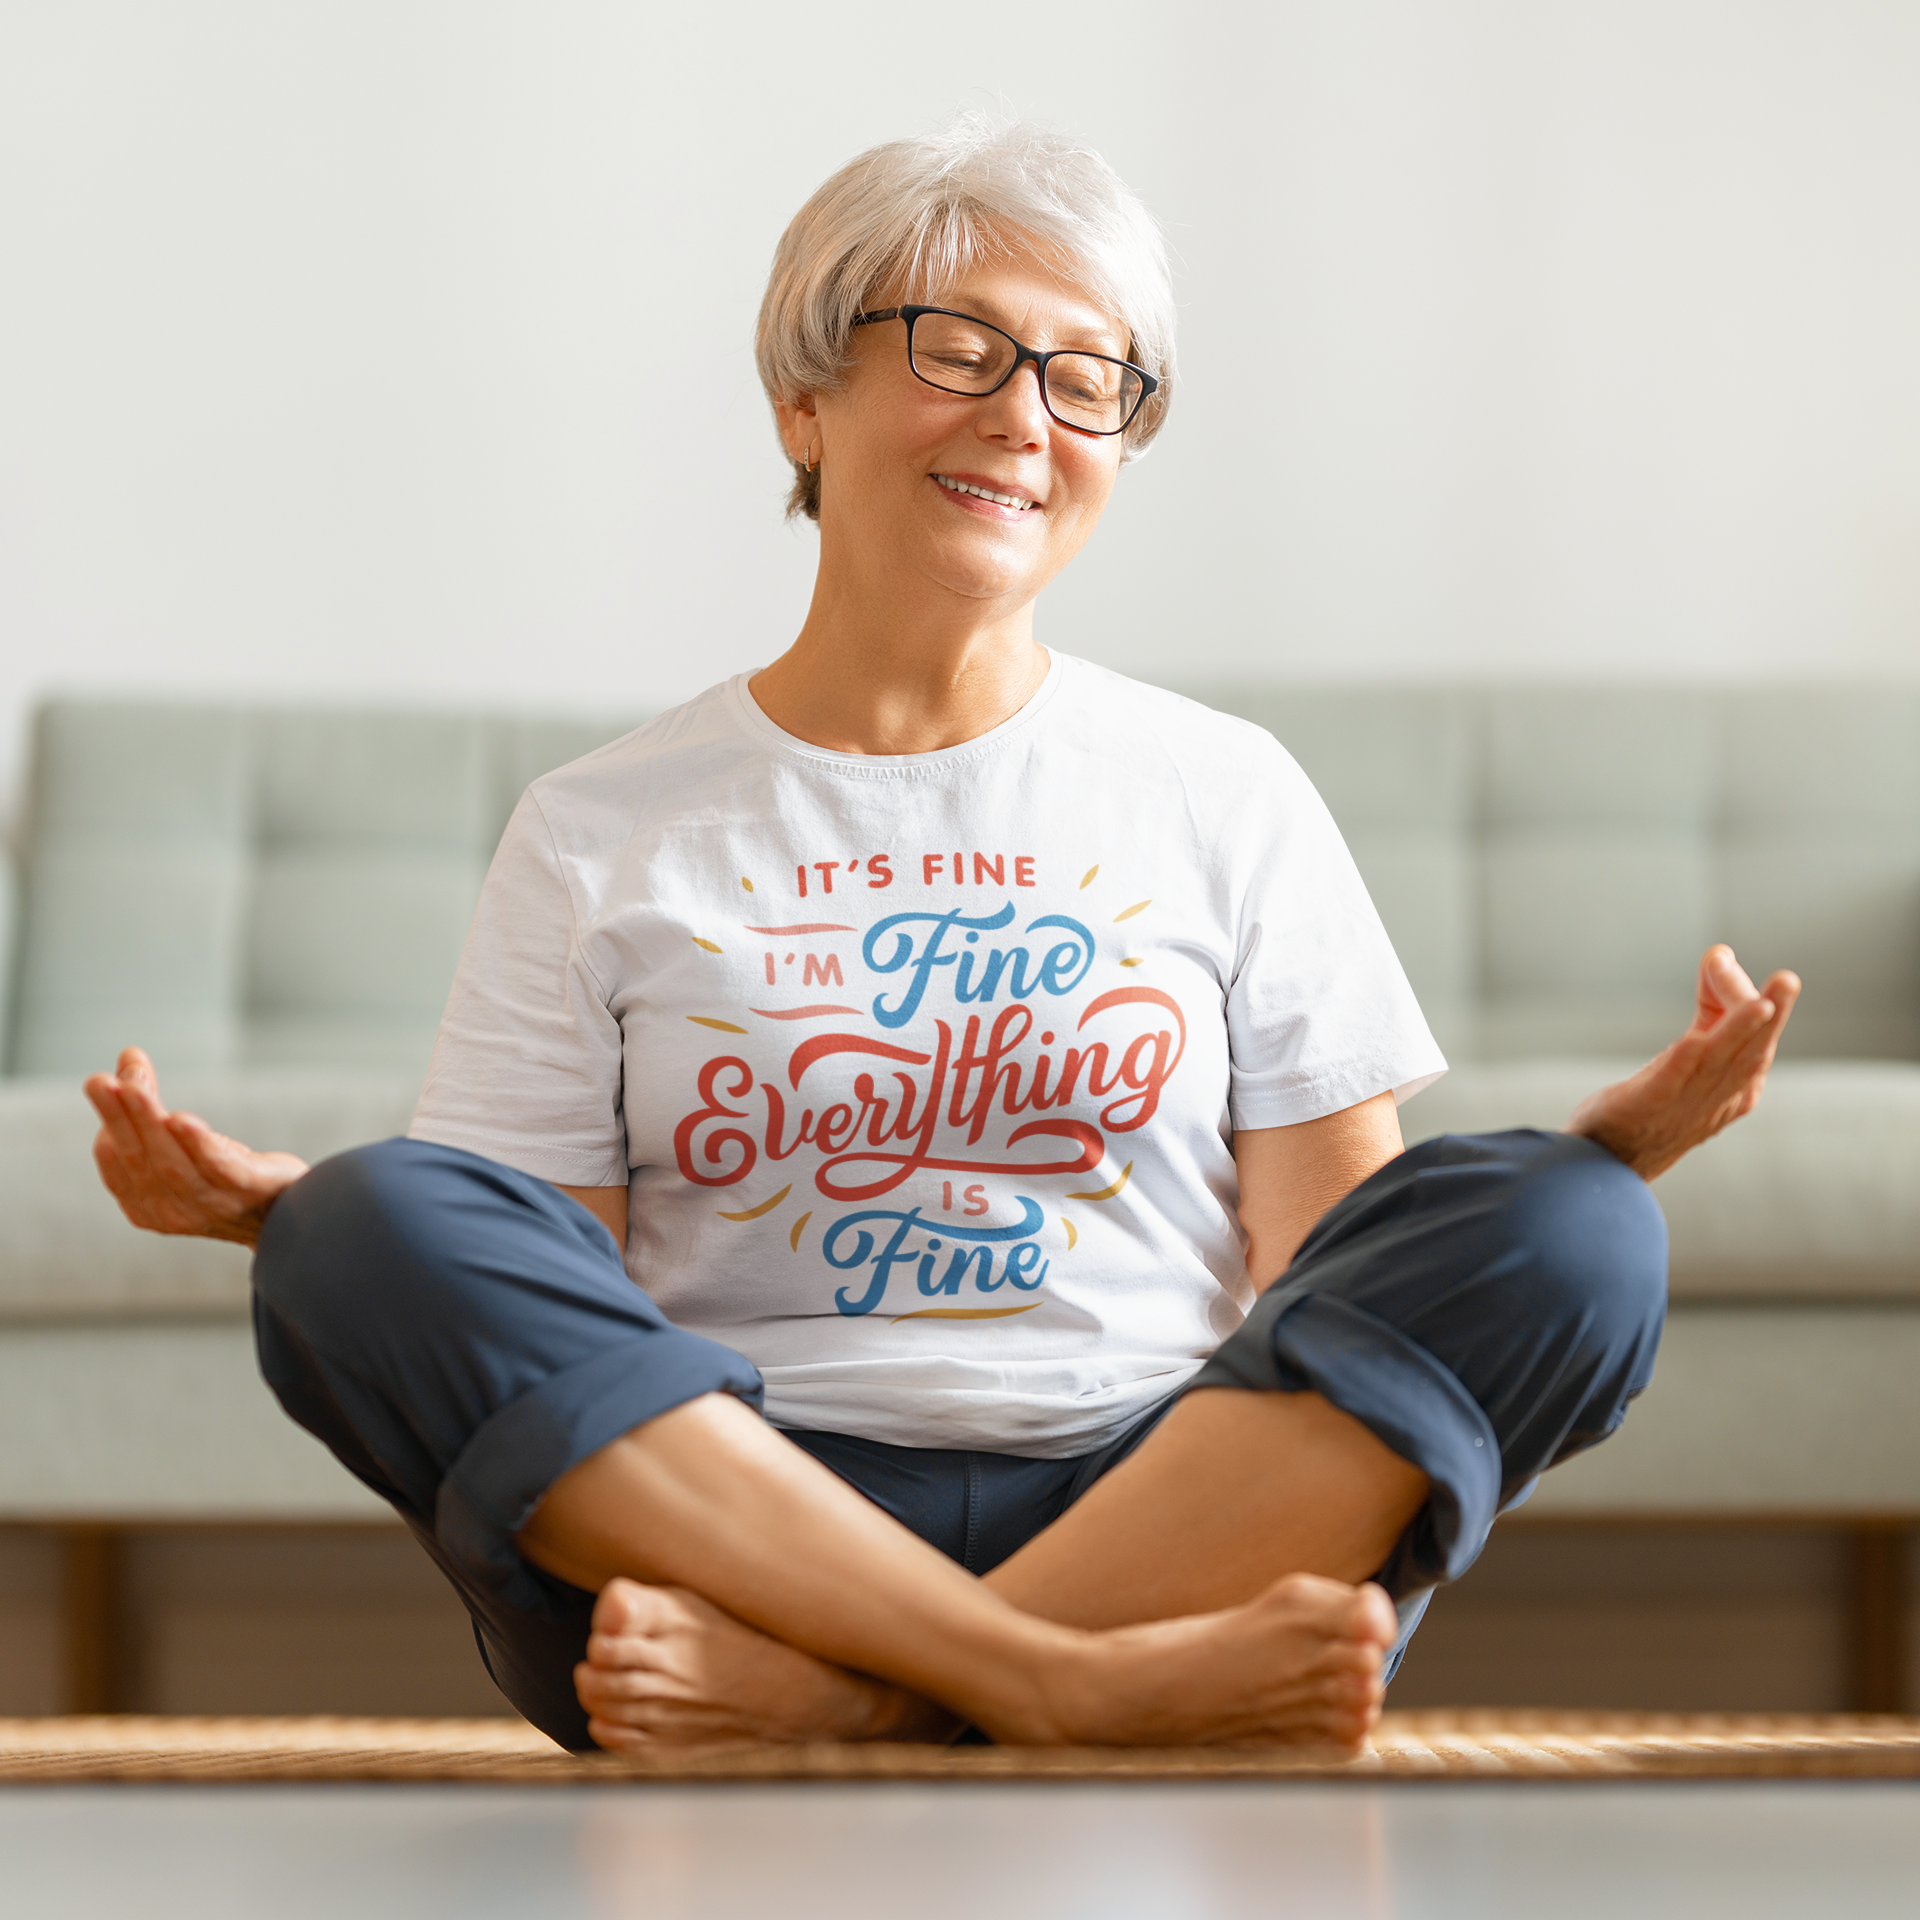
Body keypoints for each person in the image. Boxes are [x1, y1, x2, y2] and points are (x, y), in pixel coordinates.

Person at [83, 121, 1798, 1755]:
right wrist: (290, 1218)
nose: (1029, 416)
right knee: (361, 1225)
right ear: (800, 402)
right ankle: (1074, 1691)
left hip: (1168, 1503)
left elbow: (1336, 1276)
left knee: (1581, 1229)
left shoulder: (1222, 789)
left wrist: (1588, 1164)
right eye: (962, 347)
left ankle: (866, 1709)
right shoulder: (601, 825)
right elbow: (565, 1310)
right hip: (739, 1533)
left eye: (1088, 376)